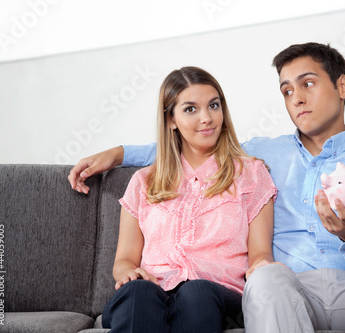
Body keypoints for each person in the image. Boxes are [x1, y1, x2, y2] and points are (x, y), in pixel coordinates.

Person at [69, 43, 345, 332]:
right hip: (286, 287)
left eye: (308, 84)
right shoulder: (263, 153)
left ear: (342, 86)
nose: (296, 97)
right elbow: (191, 146)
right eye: (286, 90)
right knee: (264, 275)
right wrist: (119, 153)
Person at [99, 66, 277, 333]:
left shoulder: (251, 174)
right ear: (171, 119)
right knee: (138, 293)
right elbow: (124, 260)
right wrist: (130, 273)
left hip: (218, 295)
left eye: (213, 106)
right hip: (153, 291)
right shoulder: (143, 182)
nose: (206, 118)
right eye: (191, 109)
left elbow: (261, 253)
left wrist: (262, 267)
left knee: (196, 293)